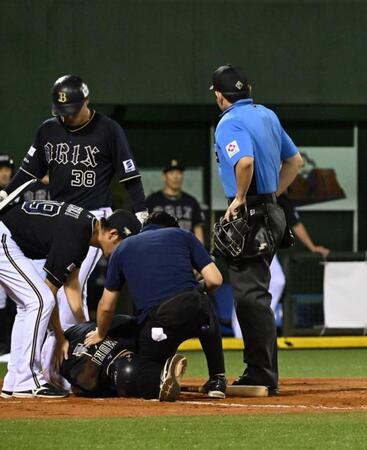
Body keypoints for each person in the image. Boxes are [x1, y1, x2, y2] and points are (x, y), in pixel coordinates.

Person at [0, 75, 148, 373]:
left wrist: (142, 212)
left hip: (93, 221)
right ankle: (33, 369)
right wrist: (2, 198)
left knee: (67, 296)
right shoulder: (48, 129)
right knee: (35, 297)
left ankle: (62, 369)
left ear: (87, 101)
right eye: (61, 111)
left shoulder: (108, 129)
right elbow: (27, 174)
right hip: (56, 220)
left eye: (72, 110)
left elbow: (129, 175)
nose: (66, 116)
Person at [210, 64, 303, 394]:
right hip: (271, 211)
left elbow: (244, 162)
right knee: (254, 294)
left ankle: (262, 373)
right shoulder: (267, 115)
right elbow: (295, 162)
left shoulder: (229, 121)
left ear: (220, 96)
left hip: (252, 212)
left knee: (250, 296)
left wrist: (239, 198)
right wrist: (273, 196)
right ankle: (263, 370)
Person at [0, 201, 140, 399]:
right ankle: (26, 381)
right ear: (113, 234)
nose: (122, 252)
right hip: (4, 236)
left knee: (28, 305)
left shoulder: (85, 227)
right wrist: (60, 337)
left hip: (8, 236)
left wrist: (85, 328)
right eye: (123, 245)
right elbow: (50, 291)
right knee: (41, 301)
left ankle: (14, 379)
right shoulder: (76, 236)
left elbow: (71, 286)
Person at [85, 211, 226, 400]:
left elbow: (107, 306)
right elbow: (215, 280)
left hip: (158, 322)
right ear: (171, 228)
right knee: (205, 306)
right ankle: (217, 379)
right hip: (193, 309)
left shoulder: (122, 248)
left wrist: (100, 333)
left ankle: (162, 374)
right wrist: (196, 290)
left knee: (148, 387)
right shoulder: (183, 235)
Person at [232, 192, 331, 335]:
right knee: (246, 286)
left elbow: (294, 222)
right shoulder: (257, 187)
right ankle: (241, 334)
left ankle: (258, 324)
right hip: (245, 238)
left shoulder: (281, 196)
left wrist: (312, 247)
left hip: (265, 243)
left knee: (275, 281)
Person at [60, 315, 185, 401]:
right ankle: (158, 376)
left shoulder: (90, 381)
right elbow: (77, 389)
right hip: (70, 338)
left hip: (66, 339)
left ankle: (158, 375)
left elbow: (78, 389)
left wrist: (102, 331)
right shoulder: (90, 381)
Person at [146, 160, 205, 242]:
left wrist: (200, 252)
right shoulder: (152, 201)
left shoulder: (191, 202)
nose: (175, 177)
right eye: (171, 173)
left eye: (179, 173)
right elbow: (144, 231)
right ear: (164, 176)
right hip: (159, 248)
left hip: (185, 248)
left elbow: (198, 232)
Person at [0, 154, 16, 355]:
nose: (4, 172)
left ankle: (7, 345)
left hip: (13, 250)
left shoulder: (17, 193)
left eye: (7, 168)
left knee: (17, 300)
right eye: (0, 168)